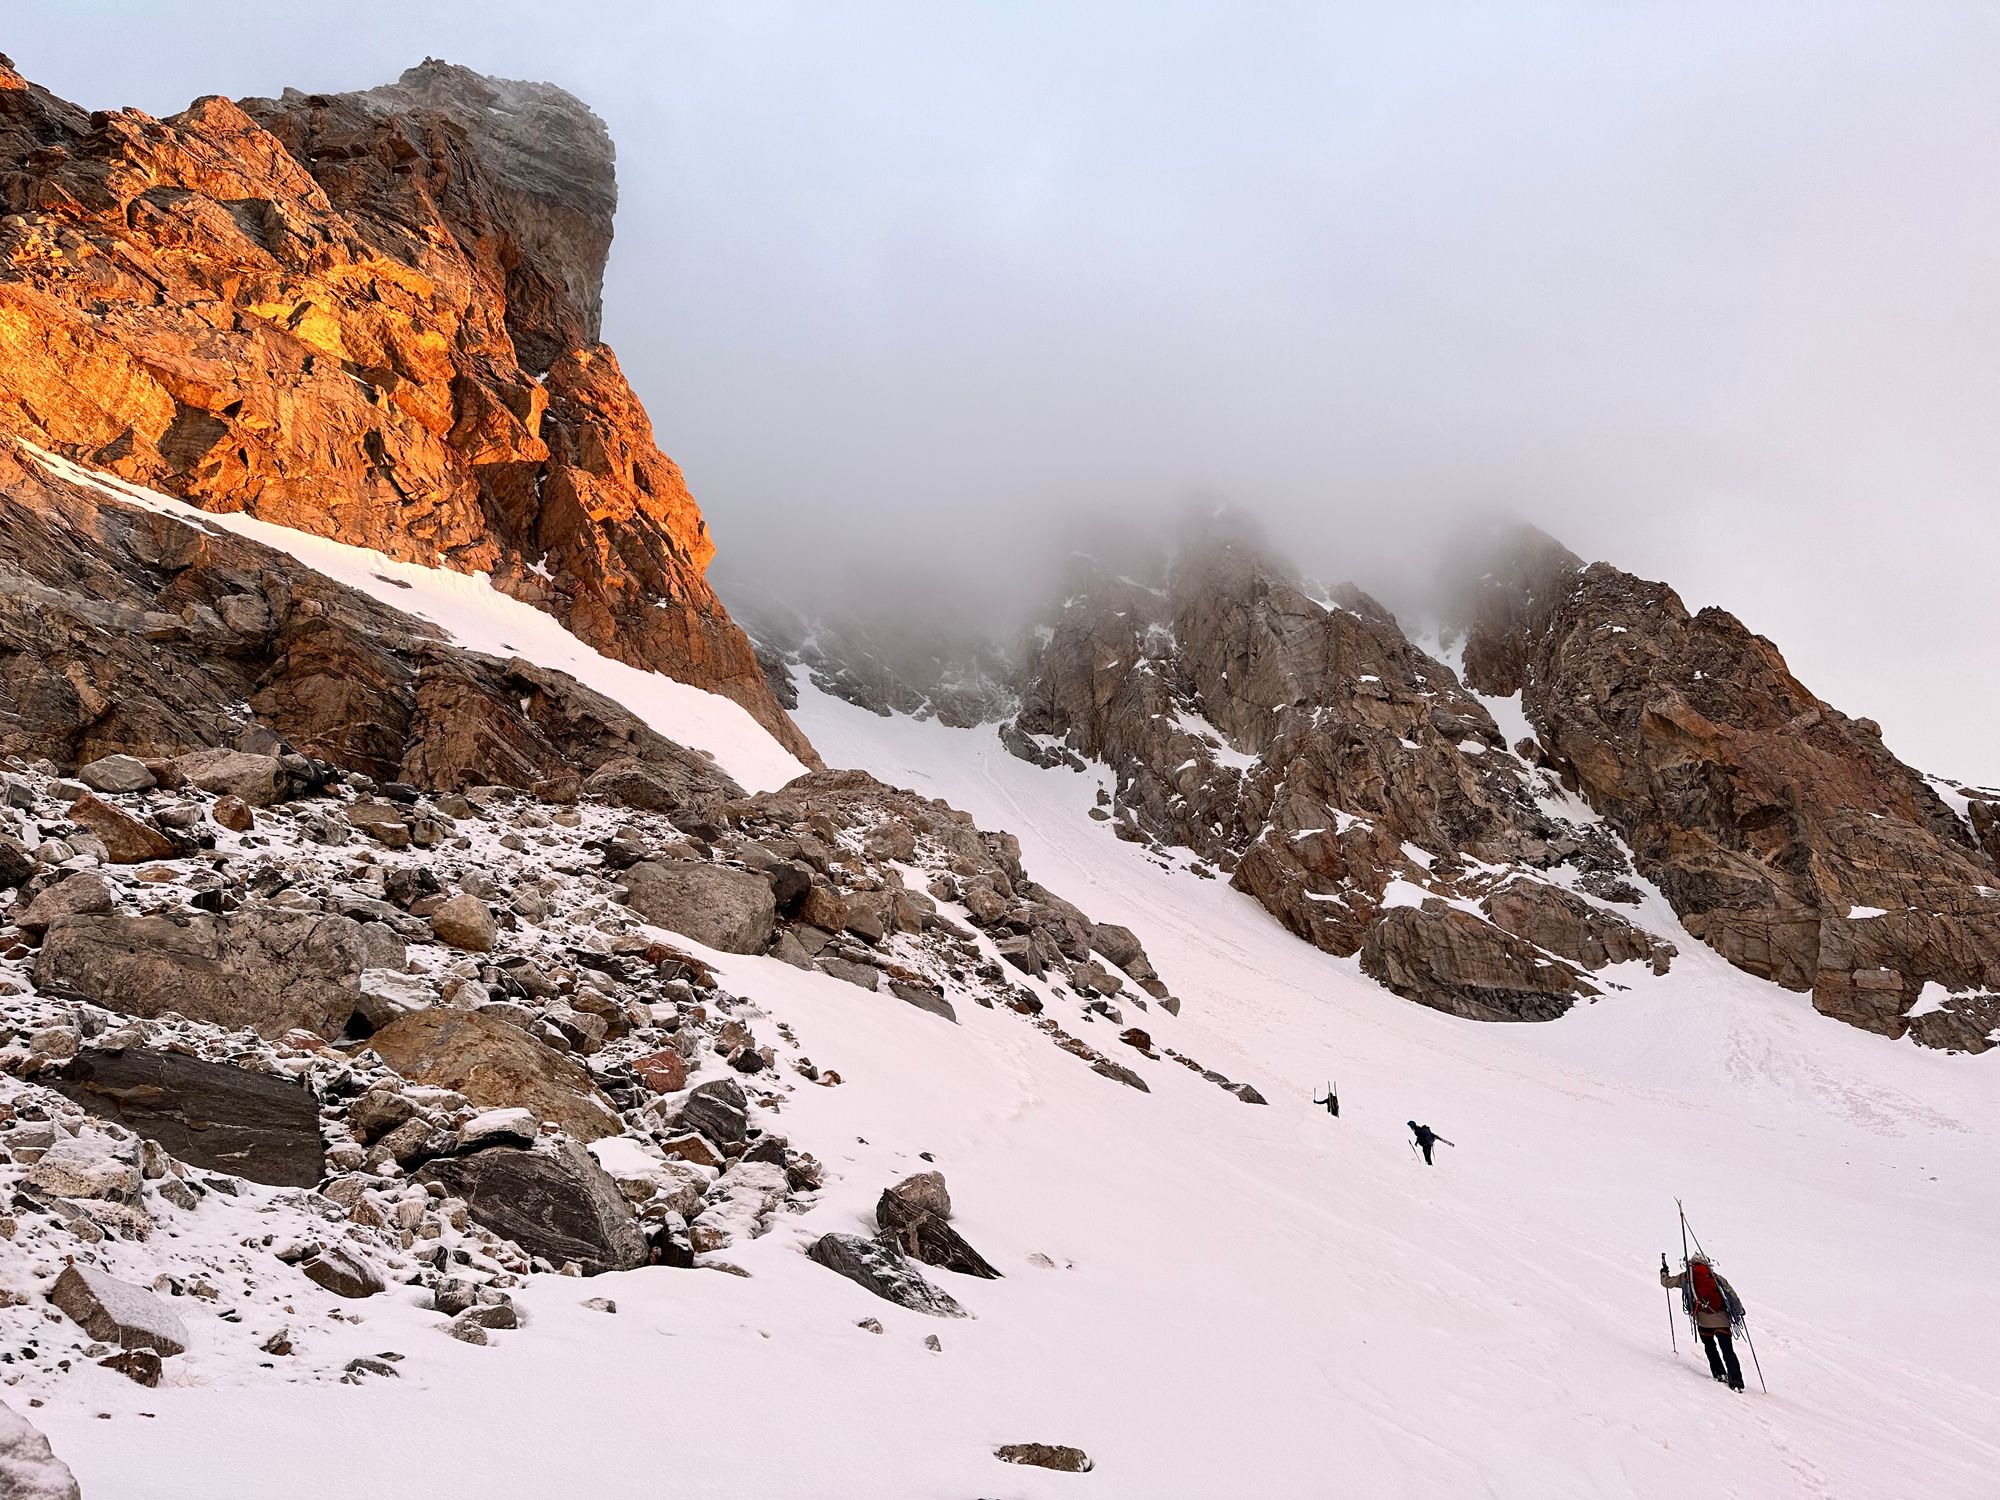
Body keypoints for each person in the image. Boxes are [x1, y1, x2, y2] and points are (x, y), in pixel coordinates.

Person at [1662, 1252, 1746, 1391]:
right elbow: (1731, 1295)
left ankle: (1719, 1373)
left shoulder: (1687, 1278)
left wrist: (1664, 1272)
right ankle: (1736, 1381)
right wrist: (1739, 1310)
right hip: (1722, 1321)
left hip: (1703, 1322)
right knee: (1728, 1351)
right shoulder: (1717, 1278)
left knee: (1710, 1346)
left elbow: (1666, 1283)